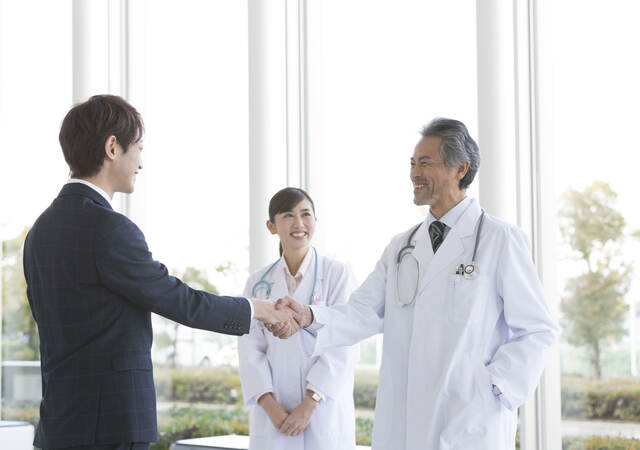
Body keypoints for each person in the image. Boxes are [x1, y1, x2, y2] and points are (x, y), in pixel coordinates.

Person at [22, 95, 299, 450]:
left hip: (60, 423)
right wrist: (259, 309)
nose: (140, 162)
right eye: (137, 147)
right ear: (112, 147)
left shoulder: (40, 231)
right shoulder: (109, 229)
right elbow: (179, 301)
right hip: (110, 426)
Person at [275, 118, 559, 450]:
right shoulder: (401, 247)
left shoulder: (499, 240)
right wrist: (309, 317)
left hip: (469, 420)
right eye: (412, 163)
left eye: (425, 163)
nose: (414, 173)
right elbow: (360, 312)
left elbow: (538, 329)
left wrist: (493, 389)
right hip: (405, 420)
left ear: (460, 169)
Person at [238, 187, 359, 450]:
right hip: (273, 414)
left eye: (306, 214)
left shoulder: (338, 275)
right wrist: (270, 406)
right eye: (288, 215)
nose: (299, 223)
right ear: (271, 226)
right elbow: (249, 350)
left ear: (315, 221)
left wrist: (310, 403)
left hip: (324, 411)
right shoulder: (258, 284)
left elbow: (344, 343)